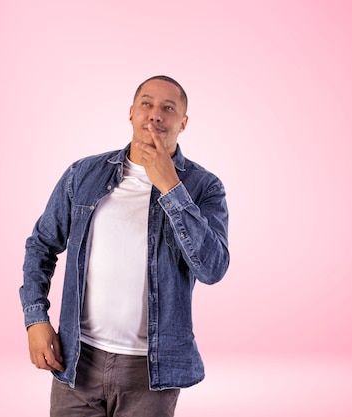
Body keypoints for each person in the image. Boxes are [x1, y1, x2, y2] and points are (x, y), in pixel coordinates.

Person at [20, 75, 230, 416]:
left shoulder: (203, 187)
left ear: (184, 122)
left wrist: (170, 187)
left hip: (151, 372)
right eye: (146, 104)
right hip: (76, 361)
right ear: (131, 113)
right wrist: (35, 319)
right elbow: (41, 245)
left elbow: (212, 268)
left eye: (168, 108)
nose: (155, 114)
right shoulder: (83, 174)